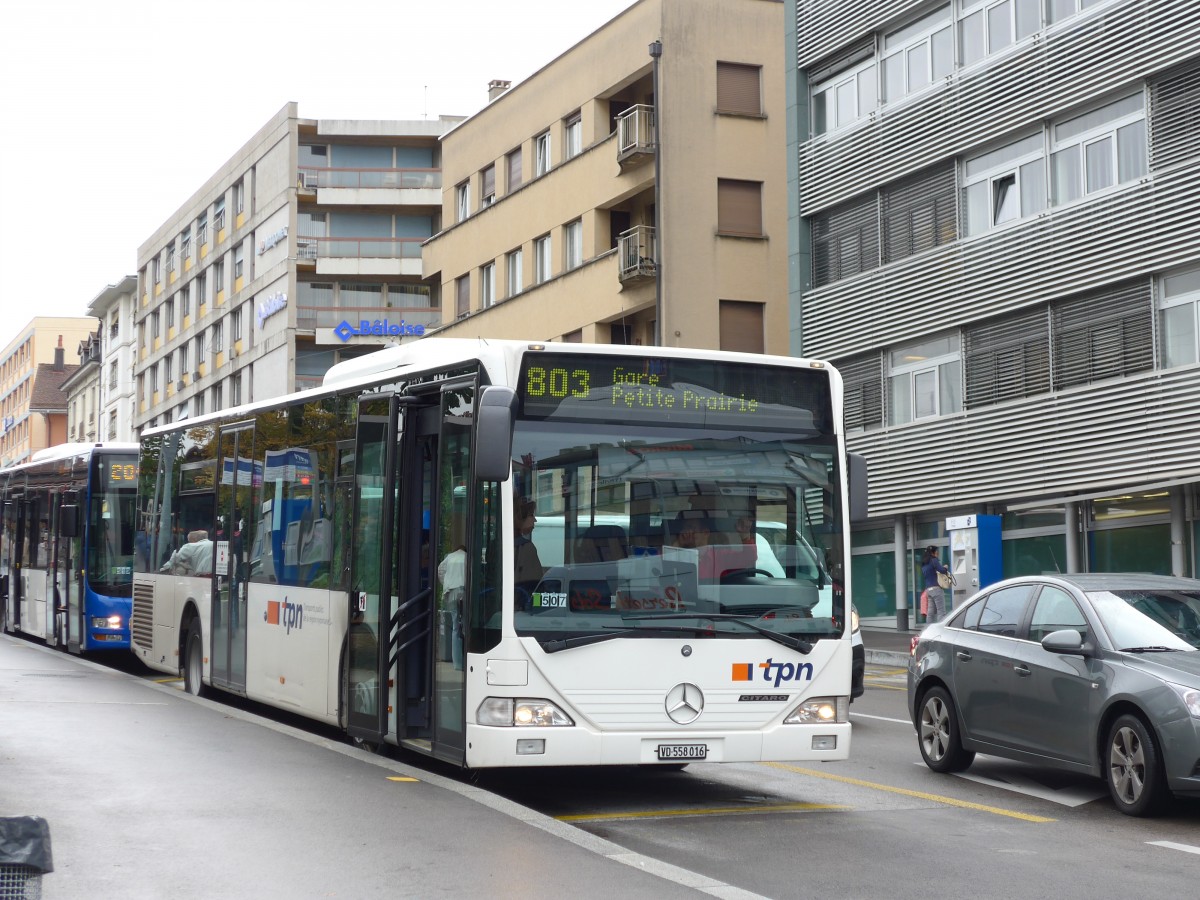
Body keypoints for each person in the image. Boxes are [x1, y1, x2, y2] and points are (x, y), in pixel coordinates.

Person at [437, 543, 467, 669]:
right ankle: (465, 659)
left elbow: (440, 570)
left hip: (450, 592)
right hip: (463, 591)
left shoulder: (449, 557)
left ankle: (457, 663)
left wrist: (446, 582)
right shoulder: (466, 557)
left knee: (455, 627)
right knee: (464, 625)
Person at [514, 497, 544, 599]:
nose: (535, 520)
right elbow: (536, 588)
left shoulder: (497, 545)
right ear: (518, 517)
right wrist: (534, 606)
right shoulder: (526, 547)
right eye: (531, 515)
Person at [921, 545, 951, 624]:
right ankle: (940, 629)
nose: (937, 552)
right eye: (936, 551)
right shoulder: (933, 560)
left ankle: (928, 629)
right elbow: (942, 570)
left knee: (930, 612)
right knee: (941, 611)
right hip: (936, 589)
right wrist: (946, 567)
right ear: (933, 552)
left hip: (928, 590)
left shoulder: (924, 563)